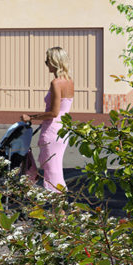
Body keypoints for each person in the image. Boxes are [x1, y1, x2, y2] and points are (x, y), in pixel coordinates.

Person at [28, 46, 75, 192]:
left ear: (55, 62)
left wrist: (30, 117)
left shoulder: (56, 83)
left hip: (52, 129)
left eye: (47, 60)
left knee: (52, 172)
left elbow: (53, 112)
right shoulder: (69, 81)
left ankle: (59, 210)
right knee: (54, 170)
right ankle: (59, 210)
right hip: (63, 129)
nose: (46, 63)